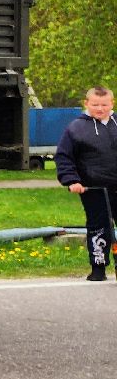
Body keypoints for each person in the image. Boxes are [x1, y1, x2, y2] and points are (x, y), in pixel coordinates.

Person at [54, 86, 117, 281]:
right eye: (95, 105)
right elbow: (64, 156)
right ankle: (98, 268)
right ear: (86, 104)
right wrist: (72, 180)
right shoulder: (76, 128)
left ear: (112, 103)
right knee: (99, 227)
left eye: (104, 104)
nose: (100, 109)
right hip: (94, 188)